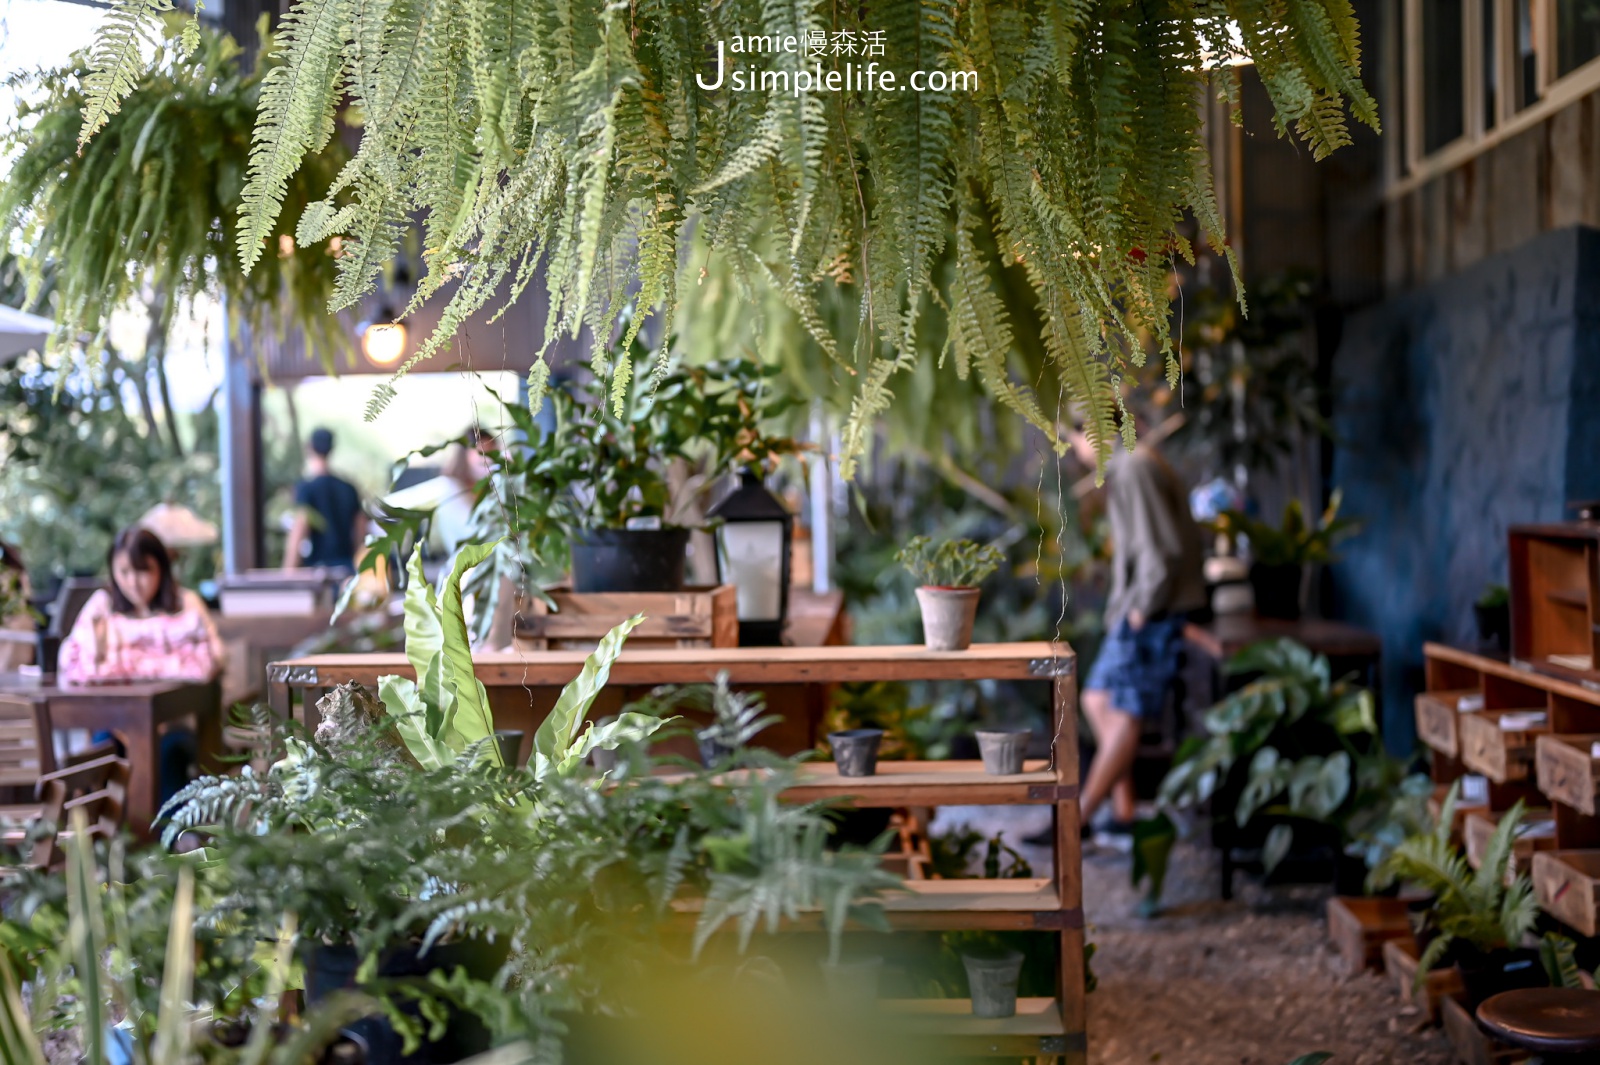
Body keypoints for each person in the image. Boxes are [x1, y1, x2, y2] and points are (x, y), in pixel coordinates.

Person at [1074, 415, 1207, 835]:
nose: (1074, 450)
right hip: (1140, 609)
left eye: (1072, 438)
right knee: (1099, 700)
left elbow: (1160, 551)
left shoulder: (1134, 466)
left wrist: (1140, 611)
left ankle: (1078, 819)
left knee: (1122, 711)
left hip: (1154, 611)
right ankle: (1122, 811)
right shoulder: (1128, 465)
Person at [58, 527, 224, 685]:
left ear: (162, 568)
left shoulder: (187, 602)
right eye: (124, 572)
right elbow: (71, 661)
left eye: (143, 570)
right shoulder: (102, 604)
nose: (133, 583)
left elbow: (214, 658)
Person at [283, 427, 367, 572]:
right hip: (346, 568)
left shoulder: (306, 488)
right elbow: (361, 528)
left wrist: (288, 571)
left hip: (319, 570)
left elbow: (300, 528)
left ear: (309, 448)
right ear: (331, 449)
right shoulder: (348, 488)